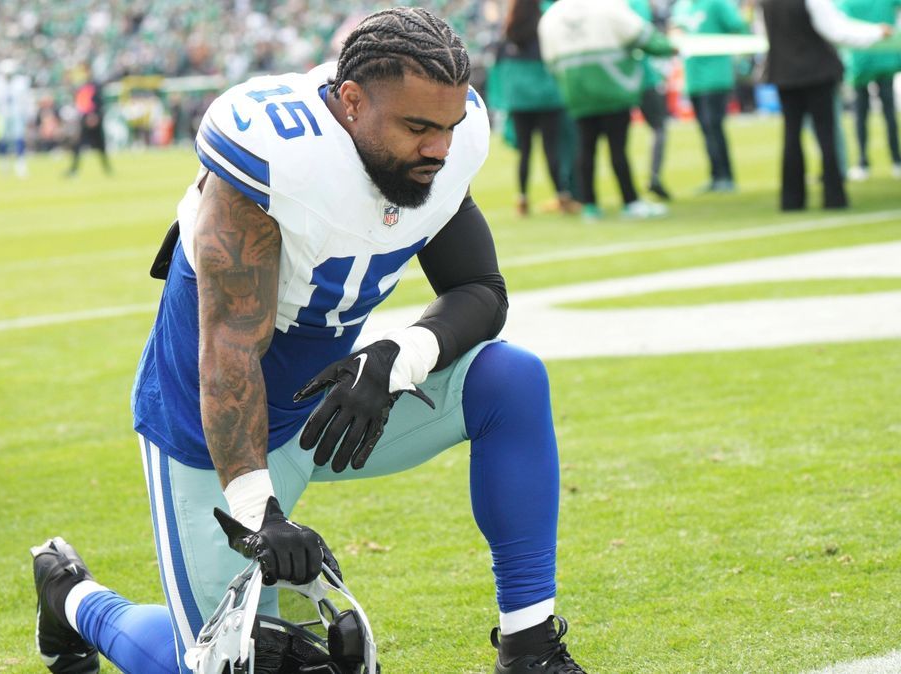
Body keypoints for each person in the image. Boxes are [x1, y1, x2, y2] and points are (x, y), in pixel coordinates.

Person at [31, 8, 590, 674]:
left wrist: (391, 359)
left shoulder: (443, 136)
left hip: (326, 407)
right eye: (418, 128)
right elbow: (228, 350)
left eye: (448, 127)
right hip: (211, 431)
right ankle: (74, 600)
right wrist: (257, 509)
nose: (439, 149)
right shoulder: (274, 161)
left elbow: (479, 291)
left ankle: (529, 649)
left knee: (510, 381)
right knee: (218, 664)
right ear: (350, 102)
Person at [539, 0, 675, 220]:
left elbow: (550, 61)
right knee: (618, 147)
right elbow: (643, 36)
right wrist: (669, 47)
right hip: (612, 85)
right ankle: (630, 201)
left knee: (585, 147)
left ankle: (590, 205)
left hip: (576, 92)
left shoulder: (552, 15)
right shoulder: (608, 6)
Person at [760, 0, 892, 210]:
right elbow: (836, 30)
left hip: (783, 73)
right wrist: (876, 32)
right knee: (826, 136)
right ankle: (834, 196)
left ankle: (791, 200)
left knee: (791, 136)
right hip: (817, 72)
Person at [493, 0, 576, 216]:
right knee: (552, 150)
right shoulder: (545, 28)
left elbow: (500, 69)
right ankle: (562, 196)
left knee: (524, 152)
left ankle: (522, 199)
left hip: (520, 100)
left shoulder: (509, 33)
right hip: (547, 98)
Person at [671, 0, 749, 193]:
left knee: (713, 125)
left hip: (716, 74)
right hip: (693, 77)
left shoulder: (717, 3)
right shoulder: (682, 6)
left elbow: (738, 26)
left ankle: (726, 176)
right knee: (705, 128)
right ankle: (715, 176)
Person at [840, 0, 901, 181]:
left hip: (861, 60)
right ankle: (895, 160)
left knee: (861, 113)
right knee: (886, 112)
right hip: (881, 59)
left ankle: (863, 162)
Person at [631, 0, 673, 201]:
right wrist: (668, 47)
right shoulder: (638, 5)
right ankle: (654, 176)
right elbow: (647, 38)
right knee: (659, 127)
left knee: (610, 135)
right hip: (644, 77)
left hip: (616, 78)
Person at [0, 59, 32, 178]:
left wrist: (29, 115)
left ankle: (20, 164)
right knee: (3, 140)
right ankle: (4, 163)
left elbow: (27, 100)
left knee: (19, 138)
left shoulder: (21, 82)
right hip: (3, 115)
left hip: (17, 114)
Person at [64, 74, 113, 177]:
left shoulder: (92, 88)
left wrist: (95, 117)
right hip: (86, 121)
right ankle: (74, 169)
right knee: (81, 147)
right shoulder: (85, 88)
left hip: (93, 121)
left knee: (99, 147)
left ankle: (107, 169)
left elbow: (98, 104)